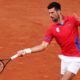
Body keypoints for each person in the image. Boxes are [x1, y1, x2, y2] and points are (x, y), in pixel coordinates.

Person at [16, 2, 80, 80]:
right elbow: (43, 46)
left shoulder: (72, 20)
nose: (50, 15)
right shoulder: (52, 29)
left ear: (59, 11)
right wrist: (25, 51)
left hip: (77, 58)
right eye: (49, 13)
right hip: (64, 58)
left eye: (52, 12)